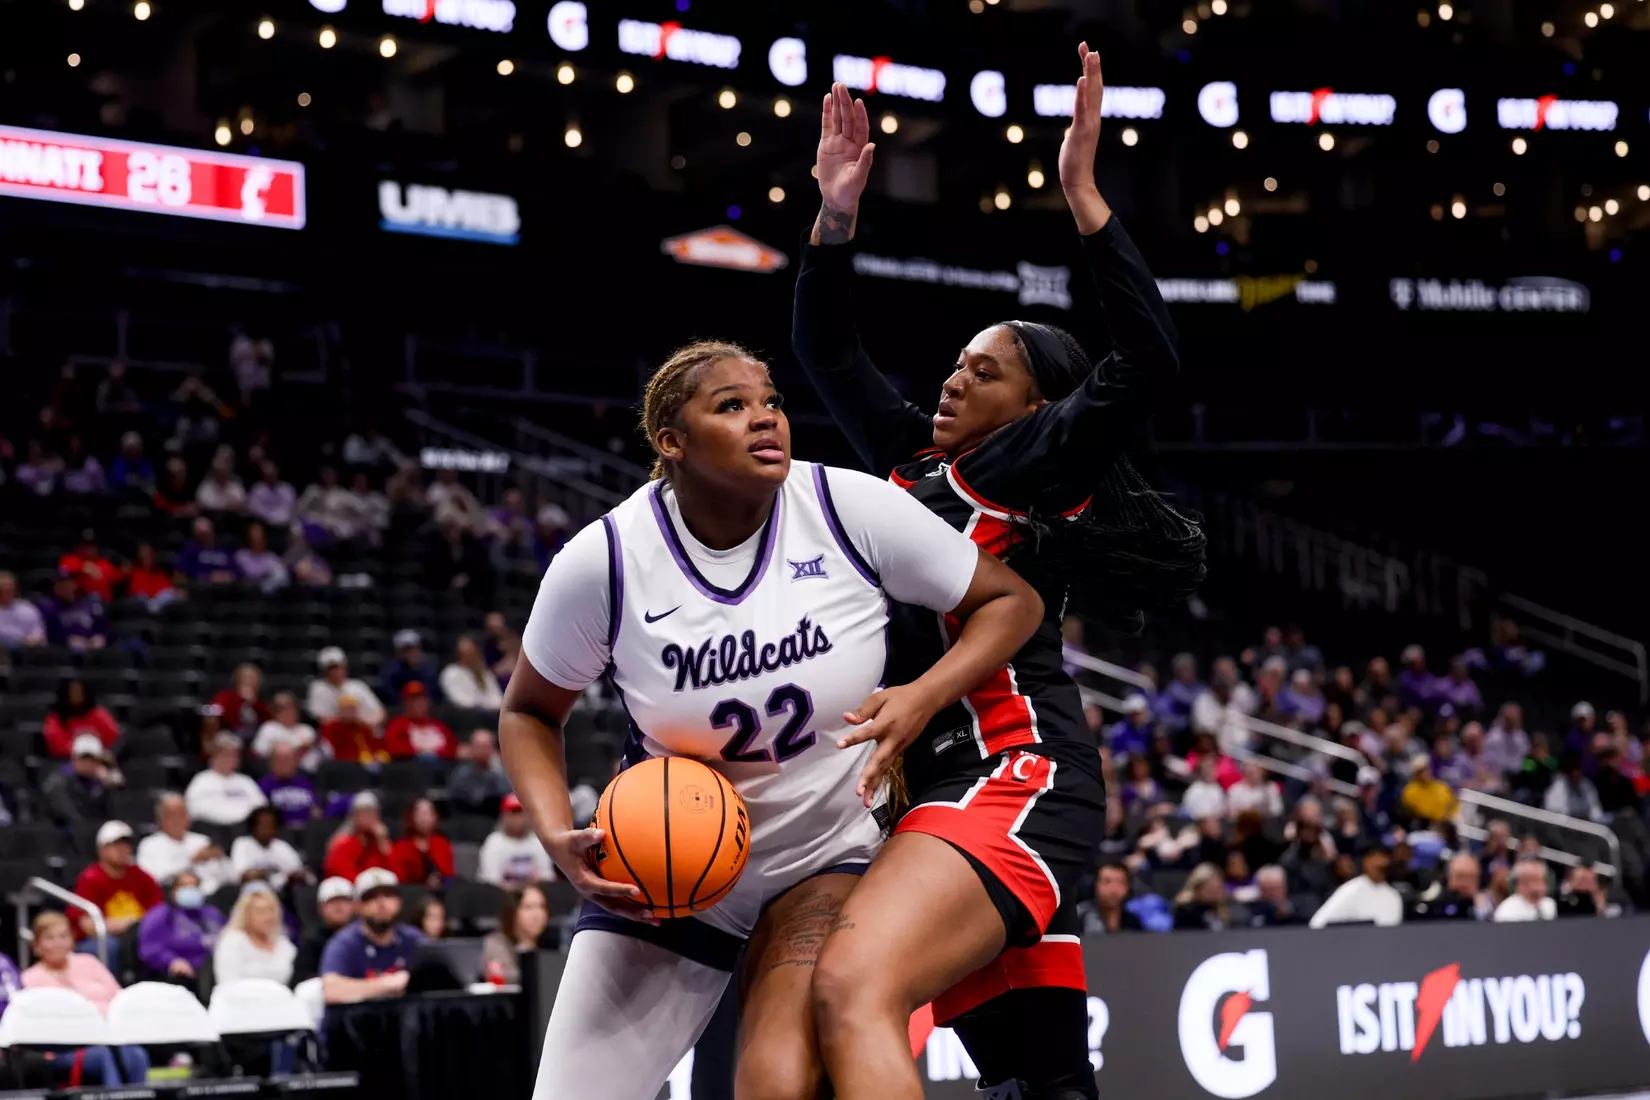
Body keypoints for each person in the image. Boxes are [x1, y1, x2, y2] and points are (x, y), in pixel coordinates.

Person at [793, 54, 1201, 1100]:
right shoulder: (915, 465)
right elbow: (829, 355)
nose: (952, 375)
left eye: (985, 370)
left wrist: (1086, 199)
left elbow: (1148, 362)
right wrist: (835, 217)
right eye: (956, 362)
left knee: (851, 985)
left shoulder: (1021, 467)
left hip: (1010, 773)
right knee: (1037, 1081)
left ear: (1034, 409)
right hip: (940, 784)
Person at [500, 337, 1041, 1097]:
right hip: (666, 864)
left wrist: (922, 697)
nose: (765, 420)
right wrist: (557, 833)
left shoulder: (843, 506)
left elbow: (1011, 601)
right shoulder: (607, 560)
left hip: (819, 856)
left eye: (772, 403)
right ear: (672, 441)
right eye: (732, 406)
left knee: (776, 1084)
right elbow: (528, 710)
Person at [21, 911, 151, 1086]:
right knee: (107, 1057)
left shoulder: (89, 962)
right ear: (37, 945)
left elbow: (119, 999)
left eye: (63, 936)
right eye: (50, 938)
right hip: (66, 1048)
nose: (58, 942)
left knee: (136, 1055)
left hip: (108, 1038)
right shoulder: (30, 978)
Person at [319, 868, 422, 1004]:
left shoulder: (414, 939)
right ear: (358, 906)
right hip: (357, 1021)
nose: (381, 903)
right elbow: (331, 991)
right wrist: (389, 985)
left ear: (399, 901)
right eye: (370, 897)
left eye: (388, 895)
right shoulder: (345, 942)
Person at [137, 869, 226, 982]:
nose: (190, 890)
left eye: (195, 886)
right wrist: (171, 961)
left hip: (215, 969)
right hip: (181, 973)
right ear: (173, 890)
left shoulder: (213, 914)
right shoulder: (161, 915)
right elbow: (149, 949)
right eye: (184, 886)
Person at [136, 792, 233, 895]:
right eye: (173, 815)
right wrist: (192, 860)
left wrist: (221, 858)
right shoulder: (149, 845)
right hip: (174, 899)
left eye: (182, 813)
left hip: (211, 897)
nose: (178, 819)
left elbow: (229, 877)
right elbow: (156, 879)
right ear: (160, 820)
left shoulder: (202, 841)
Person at [214, 883, 297, 985]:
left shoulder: (282, 942)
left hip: (280, 998)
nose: (268, 917)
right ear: (246, 914)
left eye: (271, 910)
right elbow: (227, 982)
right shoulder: (233, 941)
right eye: (260, 912)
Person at [1309, 845, 1403, 928]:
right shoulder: (1351, 889)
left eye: (1383, 866)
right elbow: (1318, 923)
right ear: (1366, 862)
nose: (1381, 864)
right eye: (1376, 861)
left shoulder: (1393, 896)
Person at [185, 735, 268, 826]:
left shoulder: (246, 781)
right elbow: (193, 809)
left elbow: (261, 807)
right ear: (215, 756)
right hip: (213, 829)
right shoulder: (202, 780)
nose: (232, 759)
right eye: (227, 755)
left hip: (244, 829)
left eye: (235, 755)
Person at [475, 794, 554, 889]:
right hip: (501, 897)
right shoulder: (494, 842)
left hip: (532, 896)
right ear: (504, 817)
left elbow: (546, 878)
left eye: (520, 813)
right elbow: (491, 882)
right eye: (512, 813)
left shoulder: (538, 842)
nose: (516, 819)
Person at [480, 884, 554, 985]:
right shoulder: (496, 943)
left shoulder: (553, 944)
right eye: (529, 907)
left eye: (542, 907)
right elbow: (506, 978)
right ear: (513, 912)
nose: (537, 914)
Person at [41, 735, 121, 827]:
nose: (86, 763)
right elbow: (67, 812)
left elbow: (113, 813)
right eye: (83, 758)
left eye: (91, 759)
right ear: (74, 759)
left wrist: (108, 785)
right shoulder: (60, 778)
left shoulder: (102, 781)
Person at [294, 877, 356, 984]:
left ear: (354, 905)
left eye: (344, 901)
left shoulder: (366, 936)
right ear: (321, 908)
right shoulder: (312, 942)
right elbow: (300, 982)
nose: (339, 907)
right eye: (332, 902)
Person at [231, 805, 307, 890]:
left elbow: (299, 873)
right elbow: (245, 876)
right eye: (264, 825)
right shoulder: (242, 844)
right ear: (253, 827)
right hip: (252, 893)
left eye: (271, 825)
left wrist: (292, 876)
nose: (268, 829)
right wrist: (277, 875)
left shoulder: (281, 846)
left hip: (282, 894)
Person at [323, 792, 396, 881]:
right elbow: (346, 878)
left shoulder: (382, 844)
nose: (368, 817)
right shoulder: (343, 845)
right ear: (354, 817)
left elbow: (397, 875)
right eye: (364, 813)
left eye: (372, 813)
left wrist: (383, 842)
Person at [306, 648, 386, 727]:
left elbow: (380, 712)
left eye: (340, 667)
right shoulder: (318, 688)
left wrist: (366, 724)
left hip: (363, 730)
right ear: (324, 671)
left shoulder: (358, 685)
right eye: (332, 669)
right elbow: (320, 719)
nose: (337, 672)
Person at [44, 678, 120, 758]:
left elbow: (114, 738)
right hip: (69, 763)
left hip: (99, 761)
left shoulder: (99, 715)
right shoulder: (57, 718)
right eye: (72, 693)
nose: (76, 696)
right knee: (62, 770)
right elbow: (57, 745)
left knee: (112, 769)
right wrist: (80, 753)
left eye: (79, 692)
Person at [389, 798, 453, 889]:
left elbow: (449, 876)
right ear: (412, 817)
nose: (425, 818)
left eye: (429, 813)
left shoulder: (442, 844)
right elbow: (398, 879)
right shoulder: (401, 847)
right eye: (421, 814)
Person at [384, 683, 458, 759]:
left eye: (421, 699)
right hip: (412, 766)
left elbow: (453, 748)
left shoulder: (439, 726)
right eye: (413, 701)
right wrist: (418, 751)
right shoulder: (397, 725)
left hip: (443, 765)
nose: (418, 704)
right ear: (406, 704)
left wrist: (435, 753)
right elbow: (393, 748)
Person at [449, 729, 511, 814]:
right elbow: (456, 798)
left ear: (492, 748)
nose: (482, 751)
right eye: (478, 746)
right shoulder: (461, 773)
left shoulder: (500, 773)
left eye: (485, 746)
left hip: (494, 817)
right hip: (466, 817)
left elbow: (506, 795)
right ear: (471, 748)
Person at [258, 741, 320, 825]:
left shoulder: (305, 783)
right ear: (271, 762)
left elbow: (316, 809)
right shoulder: (263, 786)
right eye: (280, 760)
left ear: (296, 761)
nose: (284, 764)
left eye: (288, 759)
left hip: (306, 831)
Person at [253, 693, 320, 768]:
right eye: (284, 709)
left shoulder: (307, 729)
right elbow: (259, 752)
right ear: (275, 713)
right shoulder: (268, 728)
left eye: (292, 708)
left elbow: (317, 752)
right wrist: (298, 748)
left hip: (309, 771)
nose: (289, 712)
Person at [439, 635, 504, 711]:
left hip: (490, 713)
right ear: (459, 655)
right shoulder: (451, 672)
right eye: (467, 653)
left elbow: (497, 696)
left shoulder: (484, 672)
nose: (471, 657)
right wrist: (482, 705)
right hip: (467, 715)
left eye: (473, 652)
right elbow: (459, 700)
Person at [1078, 861, 1142, 934]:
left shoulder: (1132, 921)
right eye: (1107, 882)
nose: (1113, 890)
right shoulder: (1078, 917)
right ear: (1094, 885)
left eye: (1120, 882)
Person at [320, 696, 389, 764]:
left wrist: (377, 755)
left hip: (367, 762)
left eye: (354, 709)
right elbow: (330, 750)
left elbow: (374, 746)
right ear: (340, 711)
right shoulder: (331, 727)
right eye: (349, 709)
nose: (352, 712)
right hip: (345, 763)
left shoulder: (363, 727)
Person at [211, 664, 271, 739]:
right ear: (237, 680)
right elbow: (216, 711)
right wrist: (240, 701)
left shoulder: (262, 702)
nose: (249, 681)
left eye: (253, 679)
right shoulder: (225, 696)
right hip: (230, 735)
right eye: (245, 678)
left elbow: (268, 721)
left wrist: (253, 703)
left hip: (257, 737)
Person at [175, 516, 239, 585]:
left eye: (207, 532)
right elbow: (181, 572)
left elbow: (237, 572)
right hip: (201, 588)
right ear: (195, 534)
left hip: (228, 587)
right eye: (202, 533)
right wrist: (208, 577)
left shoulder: (223, 550)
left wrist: (230, 575)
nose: (206, 536)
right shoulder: (190, 550)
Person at [382, 629, 442, 701]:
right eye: (406, 649)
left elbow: (434, 696)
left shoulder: (429, 671)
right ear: (398, 651)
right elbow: (391, 696)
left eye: (414, 648)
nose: (411, 652)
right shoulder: (391, 673)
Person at [1401, 754, 1459, 824]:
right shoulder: (1410, 790)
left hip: (1448, 822)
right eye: (1421, 771)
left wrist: (1450, 815)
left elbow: (1453, 800)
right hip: (1426, 825)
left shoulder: (1440, 785)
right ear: (1415, 773)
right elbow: (1424, 812)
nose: (1426, 773)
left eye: (1427, 769)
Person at [234, 522, 289, 593]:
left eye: (259, 537)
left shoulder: (272, 557)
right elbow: (247, 574)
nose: (256, 540)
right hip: (245, 594)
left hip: (267, 596)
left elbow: (282, 577)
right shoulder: (241, 556)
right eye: (253, 538)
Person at [1171, 863, 1229, 930]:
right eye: (1212, 888)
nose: (1218, 891)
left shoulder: (1220, 908)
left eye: (1219, 887)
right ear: (1198, 888)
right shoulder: (1186, 911)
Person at [0, 570, 47, 649]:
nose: (9, 591)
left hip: (31, 649)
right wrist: (21, 639)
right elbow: (2, 633)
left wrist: (35, 639)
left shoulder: (26, 607)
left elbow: (38, 630)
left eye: (11, 588)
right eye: (4, 589)